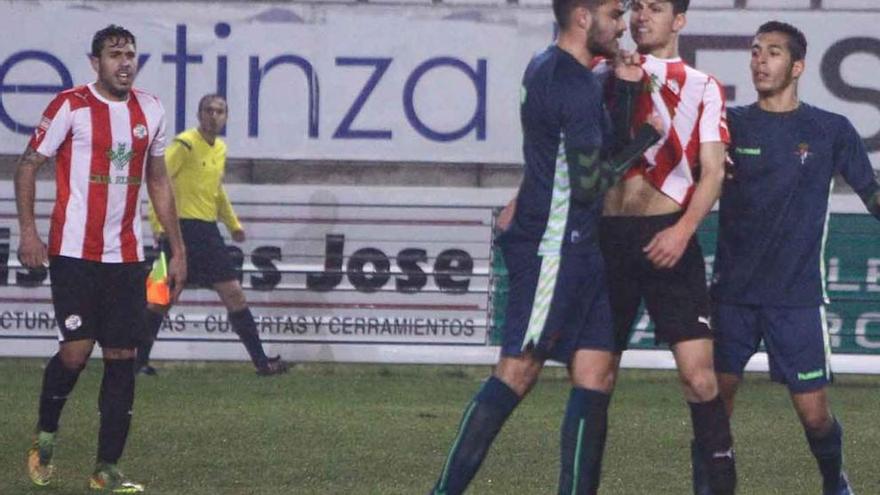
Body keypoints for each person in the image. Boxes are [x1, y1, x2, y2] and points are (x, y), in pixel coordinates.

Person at [431, 1, 662, 493]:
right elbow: (587, 182)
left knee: (596, 375)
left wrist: (622, 91)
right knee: (518, 371)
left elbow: (559, 155)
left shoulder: (548, 65)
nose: (623, 25)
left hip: (582, 248)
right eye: (614, 15)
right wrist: (645, 140)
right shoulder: (572, 85)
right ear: (583, 17)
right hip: (553, 249)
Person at [19, 25, 187, 492]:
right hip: (73, 251)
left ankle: (106, 469)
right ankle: (46, 435)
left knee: (121, 356)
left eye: (130, 54)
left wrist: (177, 247)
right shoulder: (70, 105)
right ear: (95, 62)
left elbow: (158, 179)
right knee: (75, 354)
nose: (125, 62)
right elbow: (28, 164)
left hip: (127, 255)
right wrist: (30, 231)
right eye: (115, 55)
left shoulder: (150, 109)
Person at [711, 21, 876, 495]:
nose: (761, 61)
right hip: (732, 297)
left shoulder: (829, 130)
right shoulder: (729, 124)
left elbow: (871, 194)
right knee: (712, 410)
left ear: (798, 66)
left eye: (775, 53)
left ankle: (834, 482)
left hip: (796, 299)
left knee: (815, 416)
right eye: (756, 51)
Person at [596, 1, 737, 493]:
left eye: (656, 8)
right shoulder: (603, 72)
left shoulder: (702, 85)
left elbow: (714, 171)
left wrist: (682, 232)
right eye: (636, 7)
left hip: (668, 236)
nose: (641, 17)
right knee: (595, 380)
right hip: (608, 241)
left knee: (700, 379)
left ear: (679, 21)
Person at [135, 94, 288, 377]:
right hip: (179, 229)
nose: (213, 116)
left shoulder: (220, 149)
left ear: (226, 117)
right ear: (199, 114)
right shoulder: (184, 144)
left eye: (219, 111)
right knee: (158, 299)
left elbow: (216, 191)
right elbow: (158, 181)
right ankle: (134, 363)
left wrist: (233, 224)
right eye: (208, 110)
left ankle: (261, 363)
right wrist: (159, 227)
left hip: (206, 231)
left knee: (234, 294)